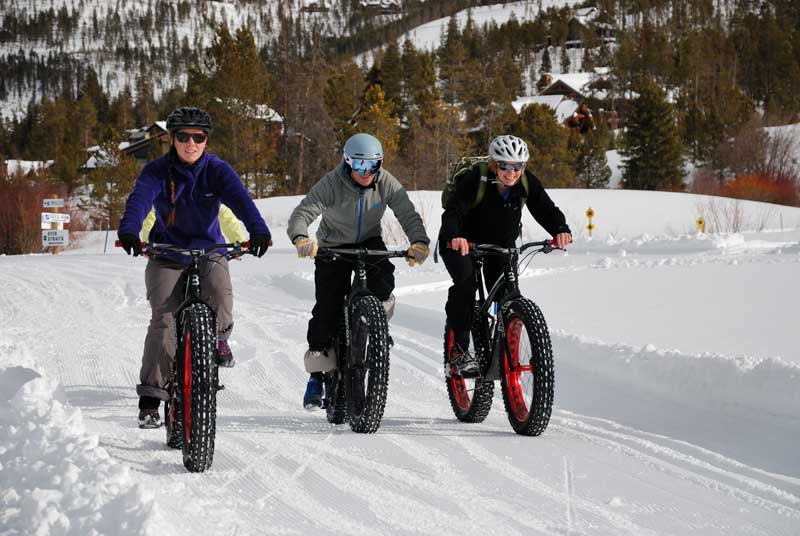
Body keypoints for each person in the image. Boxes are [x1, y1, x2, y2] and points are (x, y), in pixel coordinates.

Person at [117, 106, 271, 429]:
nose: (191, 143)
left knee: (220, 291)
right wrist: (130, 229)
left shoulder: (217, 170)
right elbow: (140, 200)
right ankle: (151, 396)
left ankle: (217, 340)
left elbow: (241, 200)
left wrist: (258, 230)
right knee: (163, 320)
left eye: (198, 137)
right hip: (167, 252)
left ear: (205, 141)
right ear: (172, 139)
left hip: (208, 250)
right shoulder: (157, 171)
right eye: (184, 136)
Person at [287, 133, 430, 410]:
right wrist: (301, 238)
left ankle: (373, 323)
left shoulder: (385, 181)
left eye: (373, 166)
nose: (367, 173)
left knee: (384, 281)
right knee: (327, 306)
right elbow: (303, 213)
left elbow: (407, 213)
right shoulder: (331, 183)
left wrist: (419, 241)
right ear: (347, 163)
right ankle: (316, 375)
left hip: (368, 241)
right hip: (333, 246)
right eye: (360, 166)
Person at [439, 134, 572, 377]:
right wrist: (454, 236)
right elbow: (453, 211)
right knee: (466, 285)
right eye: (505, 166)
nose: (511, 173)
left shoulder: (526, 182)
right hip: (461, 243)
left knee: (507, 295)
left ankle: (504, 335)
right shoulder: (475, 180)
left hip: (500, 246)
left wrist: (560, 229)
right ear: (494, 164)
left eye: (517, 167)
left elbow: (545, 209)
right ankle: (458, 352)